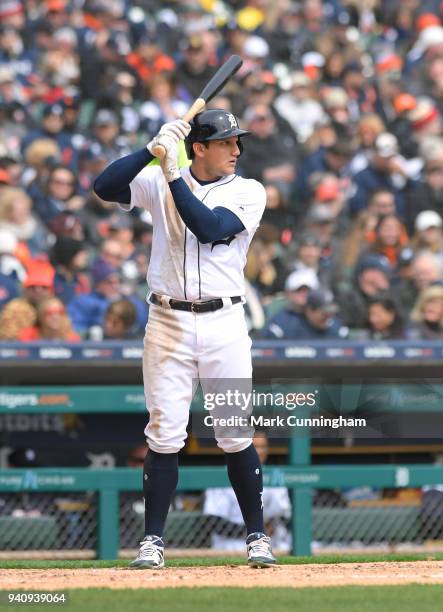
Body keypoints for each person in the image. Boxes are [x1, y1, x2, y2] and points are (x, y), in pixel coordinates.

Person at [94, 110, 276, 569]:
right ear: (200, 146)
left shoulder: (247, 190)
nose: (237, 150)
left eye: (238, 142)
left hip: (225, 322)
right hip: (168, 320)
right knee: (165, 433)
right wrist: (149, 149)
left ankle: (257, 536)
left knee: (234, 432)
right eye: (227, 142)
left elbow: (209, 227)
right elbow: (104, 187)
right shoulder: (158, 178)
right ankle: (153, 541)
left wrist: (172, 172)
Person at [203, 432, 291, 552]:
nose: (259, 451)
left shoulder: (274, 475)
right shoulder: (223, 475)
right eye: (255, 447)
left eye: (263, 447)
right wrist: (251, 529)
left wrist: (270, 525)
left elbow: (284, 515)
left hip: (270, 543)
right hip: (230, 545)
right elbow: (212, 521)